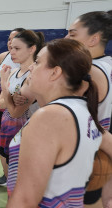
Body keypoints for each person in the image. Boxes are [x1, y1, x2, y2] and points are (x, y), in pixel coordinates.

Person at [6, 38, 112, 207]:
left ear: (55, 72)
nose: (31, 67)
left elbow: (25, 200)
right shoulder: (82, 109)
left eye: (38, 62)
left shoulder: (50, 117)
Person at [65, 10, 112, 206]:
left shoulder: (89, 71)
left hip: (89, 154)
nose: (66, 37)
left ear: (93, 39)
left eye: (73, 33)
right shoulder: (108, 63)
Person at [0, 30, 44, 187]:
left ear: (32, 49)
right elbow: (0, 104)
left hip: (26, 135)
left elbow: (15, 112)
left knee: (21, 184)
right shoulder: (15, 72)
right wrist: (11, 97)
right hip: (8, 129)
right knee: (11, 180)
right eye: (11, 48)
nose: (12, 52)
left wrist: (4, 85)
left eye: (17, 48)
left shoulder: (33, 75)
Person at [0, 28, 25, 131]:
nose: (10, 43)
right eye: (9, 39)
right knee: (4, 130)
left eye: (14, 39)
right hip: (2, 101)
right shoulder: (4, 56)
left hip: (18, 108)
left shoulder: (27, 64)